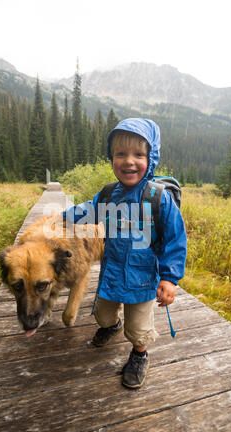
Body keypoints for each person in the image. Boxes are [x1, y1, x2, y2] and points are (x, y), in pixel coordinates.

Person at [62, 118, 187, 389]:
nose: (129, 161)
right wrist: (64, 217)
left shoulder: (158, 198)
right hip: (112, 273)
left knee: (138, 328)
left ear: (151, 157)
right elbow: (88, 209)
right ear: (112, 158)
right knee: (103, 315)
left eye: (138, 154)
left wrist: (169, 278)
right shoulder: (108, 194)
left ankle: (139, 355)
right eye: (121, 154)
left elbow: (176, 239)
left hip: (142, 281)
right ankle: (110, 326)